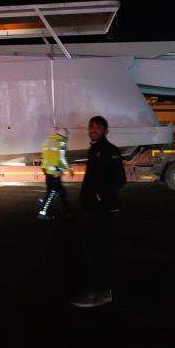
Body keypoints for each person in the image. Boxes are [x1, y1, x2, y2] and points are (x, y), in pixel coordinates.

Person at [71, 115, 126, 308]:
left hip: (104, 210)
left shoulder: (109, 150)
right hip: (94, 209)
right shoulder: (95, 150)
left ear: (105, 130)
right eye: (90, 126)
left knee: (98, 252)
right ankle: (101, 291)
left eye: (97, 127)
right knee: (94, 250)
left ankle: (99, 293)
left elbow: (120, 180)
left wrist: (100, 196)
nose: (92, 129)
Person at [37, 126, 73, 220]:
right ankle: (43, 212)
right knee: (52, 192)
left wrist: (45, 169)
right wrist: (69, 169)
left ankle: (68, 210)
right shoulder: (61, 142)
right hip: (54, 171)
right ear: (65, 135)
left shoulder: (46, 142)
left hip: (47, 170)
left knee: (60, 191)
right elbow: (62, 158)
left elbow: (44, 157)